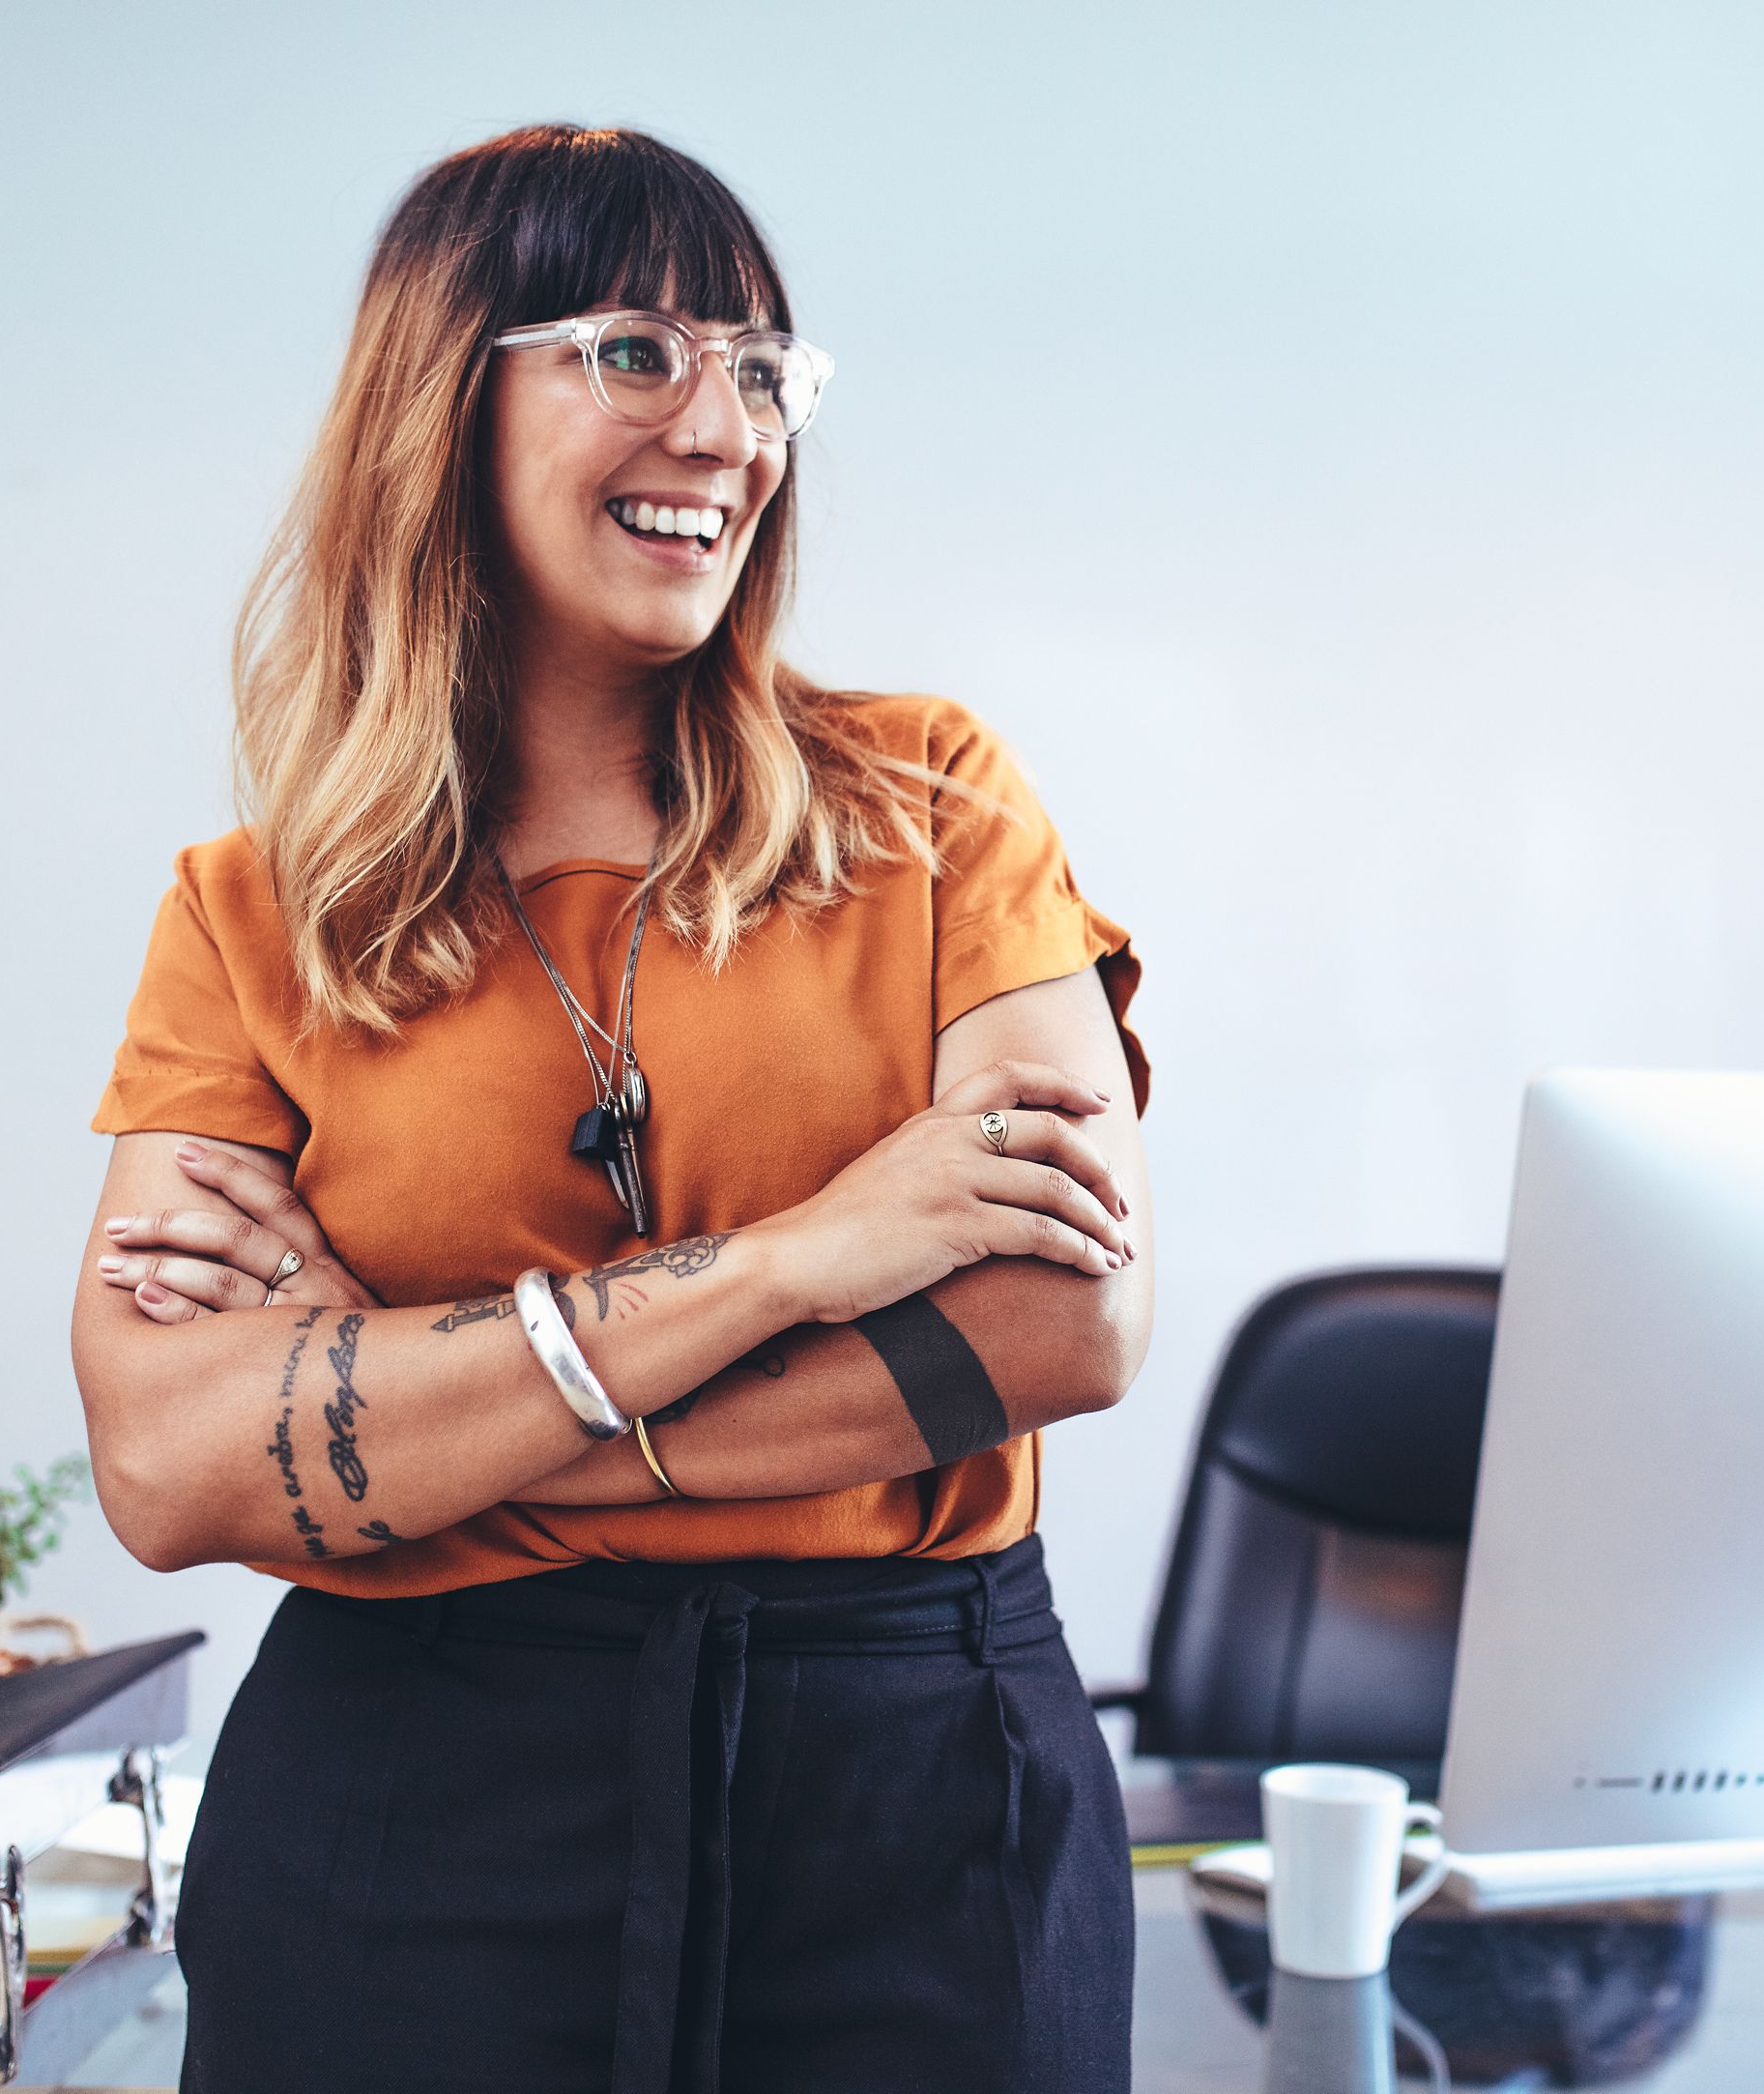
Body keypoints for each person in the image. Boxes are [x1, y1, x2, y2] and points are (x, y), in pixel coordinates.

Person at [67, 125, 1151, 2093]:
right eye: (639, 353)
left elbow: (1057, 1319)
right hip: (406, 1813)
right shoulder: (250, 917)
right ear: (443, 392)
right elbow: (167, 1468)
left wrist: (408, 1415)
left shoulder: (930, 804)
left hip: (911, 1803)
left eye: (763, 371)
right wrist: (794, 1267)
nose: (728, 430)